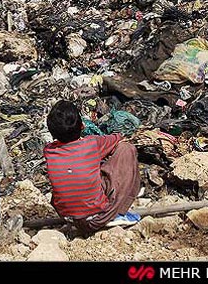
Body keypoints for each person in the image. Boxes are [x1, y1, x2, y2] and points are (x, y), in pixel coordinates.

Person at [44, 100, 141, 236]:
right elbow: (116, 139)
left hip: (69, 218)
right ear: (82, 126)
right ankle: (118, 212)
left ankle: (82, 213)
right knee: (126, 149)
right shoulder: (92, 144)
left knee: (70, 174)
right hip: (98, 219)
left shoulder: (49, 151)